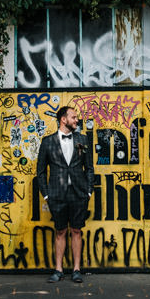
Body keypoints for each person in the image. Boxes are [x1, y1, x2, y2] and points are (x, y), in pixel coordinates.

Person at [35, 105, 94, 283]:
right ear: (63, 119)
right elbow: (40, 171)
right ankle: (58, 270)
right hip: (57, 194)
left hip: (78, 193)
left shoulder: (82, 140)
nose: (77, 120)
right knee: (60, 231)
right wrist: (46, 194)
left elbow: (89, 167)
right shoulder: (47, 142)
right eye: (74, 117)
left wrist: (88, 191)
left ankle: (76, 269)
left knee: (77, 230)